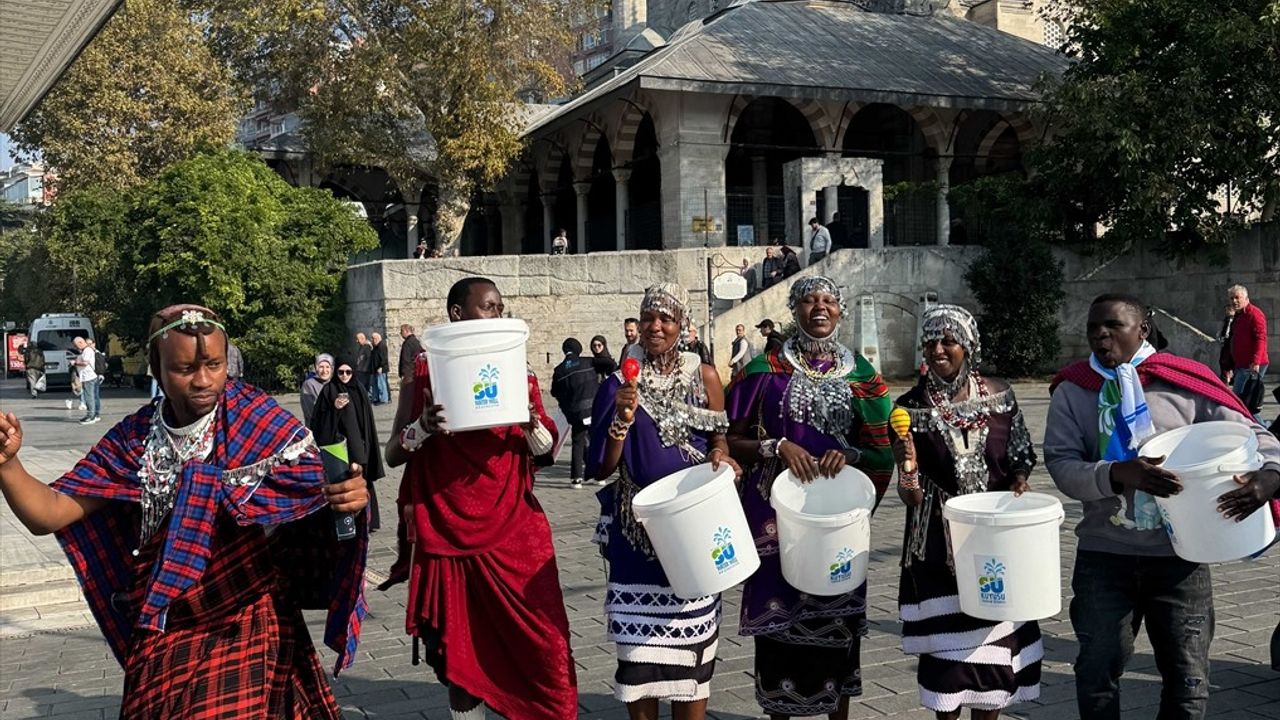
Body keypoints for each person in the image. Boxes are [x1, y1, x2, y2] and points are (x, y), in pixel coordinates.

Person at [0, 304, 370, 719]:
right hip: (166, 629)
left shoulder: (256, 419)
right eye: (185, 368)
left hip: (245, 623)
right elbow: (49, 513)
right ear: (157, 370)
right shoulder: (134, 440)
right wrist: (8, 465)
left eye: (214, 365)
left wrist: (349, 499)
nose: (204, 380)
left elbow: (316, 494)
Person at [1044, 293, 1280, 720]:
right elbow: (1061, 465)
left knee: (1188, 681)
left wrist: (1271, 475)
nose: (1101, 335)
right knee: (1097, 672)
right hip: (1105, 556)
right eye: (1093, 327)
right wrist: (1116, 473)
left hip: (1181, 557)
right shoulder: (1074, 390)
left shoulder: (1184, 382)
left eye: (1113, 325)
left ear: (1143, 330)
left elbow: (1255, 435)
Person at [383, 277, 577, 720]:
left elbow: (545, 450)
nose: (497, 315)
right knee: (461, 655)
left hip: (515, 530)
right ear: (457, 314)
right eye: (488, 306)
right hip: (447, 531)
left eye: (500, 307)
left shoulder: (517, 367)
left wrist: (530, 423)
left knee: (546, 645)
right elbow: (393, 453)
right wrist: (423, 428)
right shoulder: (425, 371)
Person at [725, 276, 894, 720]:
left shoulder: (861, 374)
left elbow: (881, 447)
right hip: (778, 521)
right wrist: (776, 446)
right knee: (778, 632)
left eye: (828, 300)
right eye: (808, 300)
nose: (819, 307)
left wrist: (851, 456)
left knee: (838, 626)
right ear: (794, 310)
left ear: (840, 310)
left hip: (836, 523)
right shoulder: (764, 371)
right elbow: (730, 439)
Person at [587, 282, 742, 717]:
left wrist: (720, 455)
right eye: (648, 318)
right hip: (638, 530)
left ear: (682, 324)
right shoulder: (617, 384)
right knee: (638, 659)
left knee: (693, 660)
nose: (655, 326)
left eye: (666, 319)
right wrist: (621, 420)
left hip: (693, 526)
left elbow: (719, 438)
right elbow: (600, 466)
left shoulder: (704, 376)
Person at [893, 305, 1042, 719]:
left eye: (949, 341)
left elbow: (1020, 454)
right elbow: (911, 498)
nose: (938, 349)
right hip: (938, 545)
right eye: (931, 341)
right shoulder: (908, 407)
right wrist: (907, 467)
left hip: (995, 538)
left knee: (995, 655)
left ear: (969, 346)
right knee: (950, 662)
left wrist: (1019, 479)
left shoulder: (999, 394)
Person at [310, 358, 384, 531]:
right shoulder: (329, 390)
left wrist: (366, 445)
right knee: (344, 484)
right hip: (339, 447)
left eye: (348, 372)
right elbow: (318, 422)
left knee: (363, 480)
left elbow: (367, 420)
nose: (344, 376)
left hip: (359, 445)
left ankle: (369, 521)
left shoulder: (359, 389)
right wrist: (334, 409)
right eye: (341, 372)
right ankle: (347, 523)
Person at [552, 338, 599, 489]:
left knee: (578, 442)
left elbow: (554, 392)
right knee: (594, 441)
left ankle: (576, 478)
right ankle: (597, 474)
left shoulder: (559, 370)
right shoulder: (587, 362)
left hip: (575, 412)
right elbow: (608, 364)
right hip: (592, 408)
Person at [1225, 284, 1269, 416]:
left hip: (1251, 365)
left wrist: (1255, 362)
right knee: (1246, 403)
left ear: (1245, 298)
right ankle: (1260, 426)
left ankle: (1261, 427)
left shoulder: (1255, 314)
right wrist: (1230, 366)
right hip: (1241, 364)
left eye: (1237, 298)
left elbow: (1261, 339)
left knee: (1241, 402)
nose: (1234, 301)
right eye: (1231, 298)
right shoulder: (1238, 316)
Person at [71, 336, 101, 425]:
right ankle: (93, 414)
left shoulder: (87, 351)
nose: (76, 347)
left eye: (76, 345)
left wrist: (75, 363)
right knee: (92, 396)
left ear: (80, 342)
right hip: (87, 377)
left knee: (89, 397)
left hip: (89, 377)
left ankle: (91, 416)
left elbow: (85, 363)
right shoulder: (85, 351)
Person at [301, 353, 334, 424]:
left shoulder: (334, 384)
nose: (324, 370)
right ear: (316, 368)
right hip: (317, 426)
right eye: (321, 367)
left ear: (332, 368)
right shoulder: (309, 384)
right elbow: (311, 411)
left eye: (327, 367)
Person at [370, 332, 390, 405]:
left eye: (373, 338)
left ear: (377, 339)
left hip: (381, 368)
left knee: (381, 384)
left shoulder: (382, 346)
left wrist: (381, 366)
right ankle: (377, 398)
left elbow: (384, 358)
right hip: (376, 368)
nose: (372, 340)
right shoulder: (376, 347)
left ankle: (384, 399)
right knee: (377, 384)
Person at [355, 332, 373, 399]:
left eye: (358, 339)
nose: (356, 341)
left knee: (365, 384)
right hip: (360, 369)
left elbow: (368, 358)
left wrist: (365, 368)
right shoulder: (362, 346)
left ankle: (368, 397)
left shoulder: (367, 346)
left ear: (362, 338)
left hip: (364, 370)